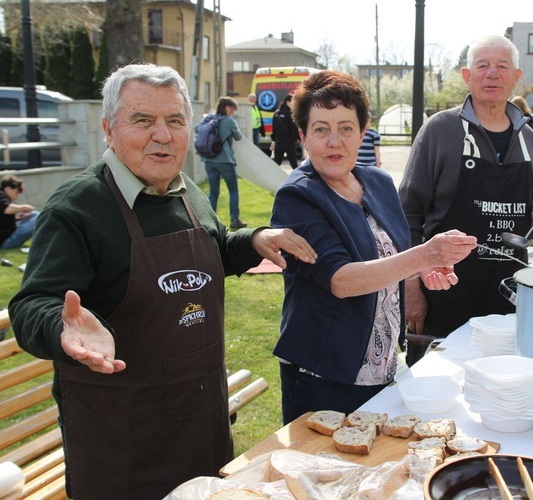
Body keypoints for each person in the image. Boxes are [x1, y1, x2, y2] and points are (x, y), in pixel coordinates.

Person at [8, 63, 317, 500]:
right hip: (125, 442)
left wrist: (254, 240)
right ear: (108, 129)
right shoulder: (76, 209)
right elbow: (31, 303)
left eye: (175, 120)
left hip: (201, 422)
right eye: (143, 120)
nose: (163, 134)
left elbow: (215, 249)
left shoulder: (186, 189)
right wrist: (61, 329)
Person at [270, 70, 477, 424]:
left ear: (363, 133)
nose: (334, 141)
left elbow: (387, 254)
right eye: (321, 129)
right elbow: (341, 280)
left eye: (346, 128)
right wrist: (425, 253)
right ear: (303, 136)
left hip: (383, 368)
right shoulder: (297, 197)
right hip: (324, 376)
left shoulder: (378, 182)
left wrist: (421, 269)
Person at [398, 34, 533, 338]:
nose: (492, 73)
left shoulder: (527, 137)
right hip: (443, 292)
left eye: (502, 66)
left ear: (515, 77)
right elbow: (405, 216)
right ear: (467, 76)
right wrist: (410, 287)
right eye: (482, 65)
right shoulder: (440, 131)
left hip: (510, 297)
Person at [197, 97, 246, 229]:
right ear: (227, 108)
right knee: (233, 190)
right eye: (233, 109)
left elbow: (197, 129)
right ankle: (234, 219)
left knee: (214, 192)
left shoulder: (208, 119)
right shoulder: (229, 121)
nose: (233, 113)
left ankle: (210, 221)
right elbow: (238, 137)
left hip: (208, 160)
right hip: (225, 161)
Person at [0, 174, 38, 249]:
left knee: (33, 215)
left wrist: (17, 218)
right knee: (38, 217)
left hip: (8, 232)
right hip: (5, 241)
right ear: (8, 189)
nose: (17, 196)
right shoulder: (1, 195)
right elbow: (6, 209)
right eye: (16, 192)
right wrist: (24, 208)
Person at [271, 94, 300, 169]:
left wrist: (274, 140)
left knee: (276, 164)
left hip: (279, 142)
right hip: (289, 142)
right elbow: (294, 128)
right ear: (287, 102)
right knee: (294, 164)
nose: (293, 104)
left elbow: (274, 129)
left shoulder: (277, 113)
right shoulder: (290, 114)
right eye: (292, 102)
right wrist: (298, 138)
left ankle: (272, 178)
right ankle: (297, 180)